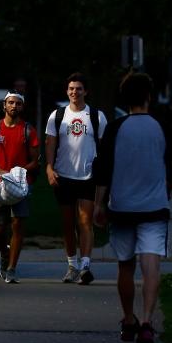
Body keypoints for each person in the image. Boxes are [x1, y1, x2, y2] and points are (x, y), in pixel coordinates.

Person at [93, 72, 172, 343]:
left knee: (125, 265)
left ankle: (128, 319)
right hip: (154, 208)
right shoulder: (162, 127)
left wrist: (98, 204)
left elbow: (103, 170)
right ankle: (146, 322)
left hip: (122, 208)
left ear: (125, 98)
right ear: (148, 97)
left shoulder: (116, 128)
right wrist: (165, 193)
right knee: (151, 263)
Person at [44, 72, 107, 285]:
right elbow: (50, 144)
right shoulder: (57, 116)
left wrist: (103, 174)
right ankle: (72, 265)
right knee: (68, 223)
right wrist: (49, 169)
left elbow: (104, 149)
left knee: (85, 221)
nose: (74, 92)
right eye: (71, 88)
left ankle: (85, 266)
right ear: (67, 91)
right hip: (64, 176)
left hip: (88, 176)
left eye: (79, 88)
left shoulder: (97, 116)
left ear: (86, 91)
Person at [0, 91, 39, 283]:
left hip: (21, 186)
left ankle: (12, 268)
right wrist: (0, 171)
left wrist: (20, 171)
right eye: (11, 103)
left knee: (17, 225)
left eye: (18, 103)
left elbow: (35, 160)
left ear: (22, 107)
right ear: (4, 105)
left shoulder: (28, 130)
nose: (14, 106)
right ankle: (4, 254)